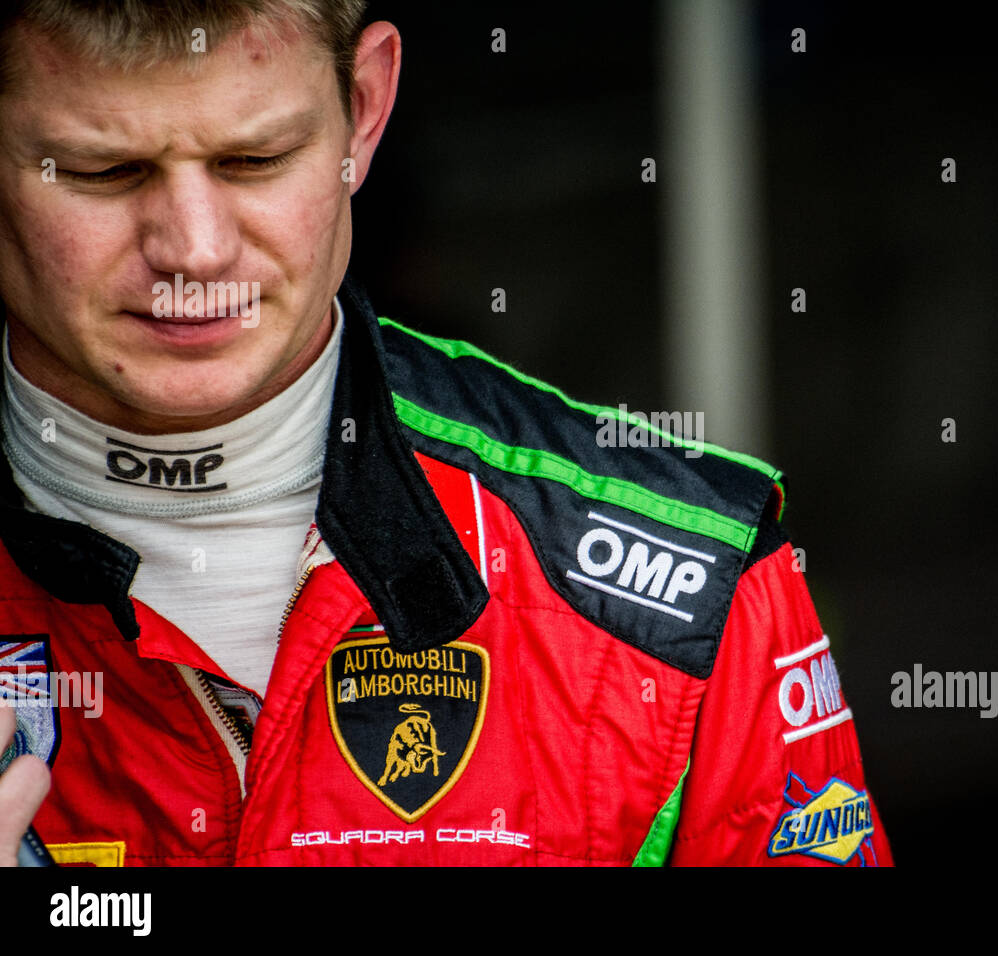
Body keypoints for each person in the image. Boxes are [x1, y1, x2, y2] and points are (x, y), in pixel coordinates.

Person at [0, 0, 893, 866]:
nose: (193, 250)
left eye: (254, 159)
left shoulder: (686, 587)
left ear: (365, 109)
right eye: (101, 171)